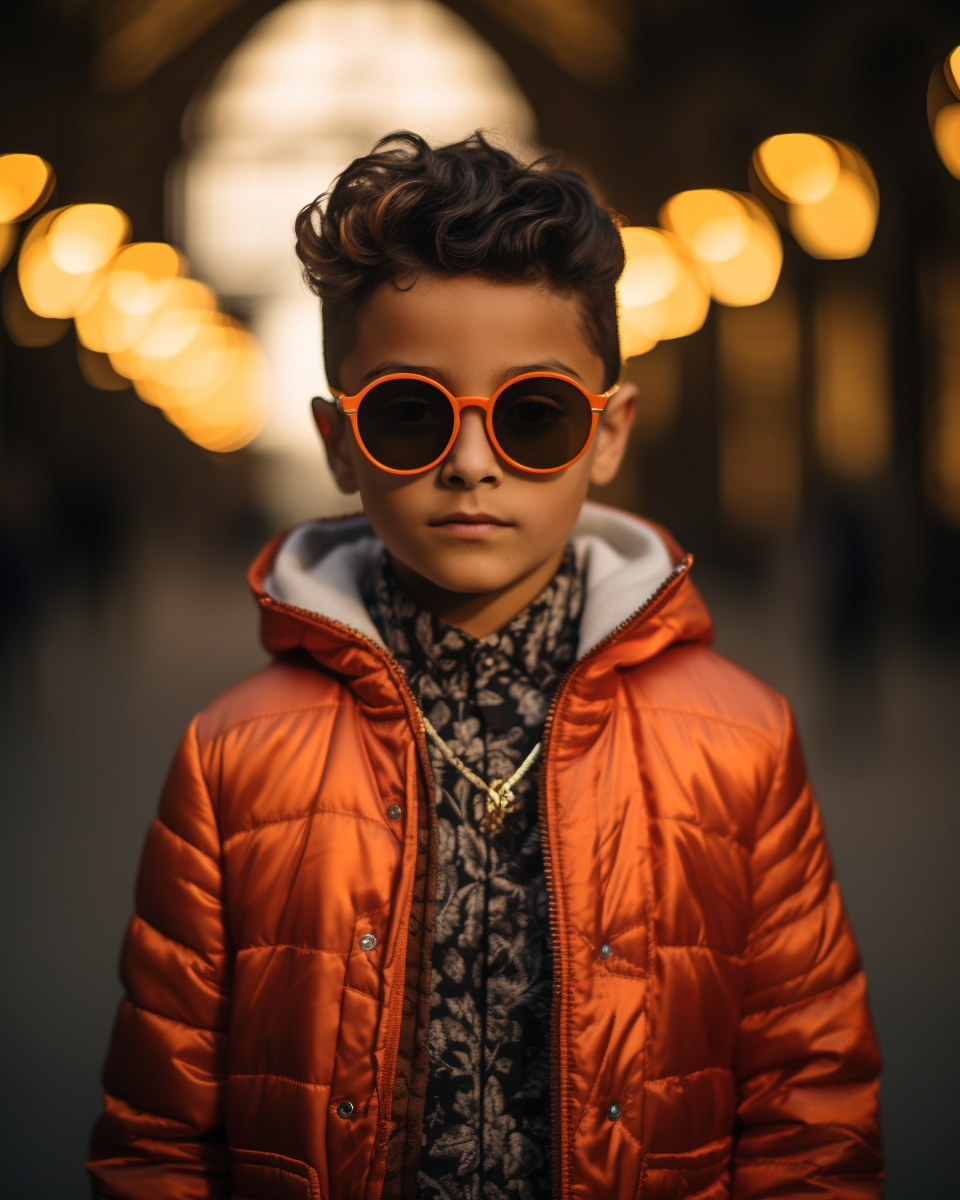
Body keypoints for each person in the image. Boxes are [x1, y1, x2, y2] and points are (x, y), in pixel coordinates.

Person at [87, 131, 882, 1200]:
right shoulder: (232, 760)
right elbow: (159, 1135)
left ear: (608, 434)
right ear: (338, 441)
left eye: (533, 417)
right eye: (413, 416)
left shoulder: (741, 744)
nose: (471, 463)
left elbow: (810, 1108)